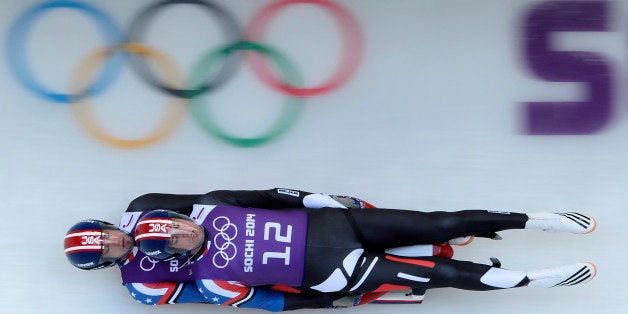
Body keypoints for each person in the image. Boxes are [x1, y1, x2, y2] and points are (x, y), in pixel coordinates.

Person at [134, 200, 597, 311]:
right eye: (175, 237)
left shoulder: (215, 206)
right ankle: (533, 279)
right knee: (444, 272)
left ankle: (532, 220)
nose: (183, 230)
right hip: (335, 271)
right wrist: (329, 303)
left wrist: (321, 198)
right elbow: (273, 304)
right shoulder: (213, 281)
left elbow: (269, 195)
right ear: (173, 252)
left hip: (339, 225)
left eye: (176, 222)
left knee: (441, 222)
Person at [64, 188, 450, 309]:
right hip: (253, 271)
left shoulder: (143, 206)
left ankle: (418, 238)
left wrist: (309, 200)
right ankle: (389, 283)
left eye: (105, 233)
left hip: (266, 233)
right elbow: (218, 296)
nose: (114, 241)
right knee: (330, 283)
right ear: (104, 264)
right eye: (105, 250)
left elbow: (213, 204)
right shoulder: (140, 285)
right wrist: (312, 305)